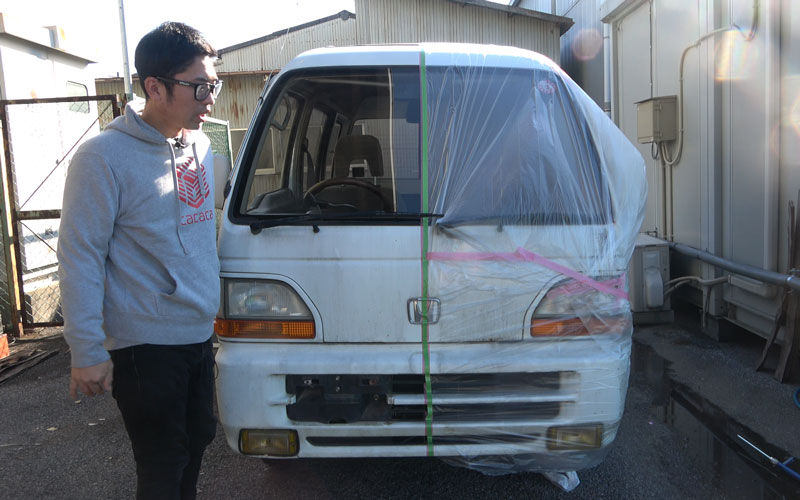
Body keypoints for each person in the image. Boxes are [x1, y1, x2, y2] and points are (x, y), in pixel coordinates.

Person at [57, 22, 223, 499]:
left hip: (197, 332)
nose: (210, 98)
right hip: (144, 343)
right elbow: (80, 254)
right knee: (162, 461)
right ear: (155, 87)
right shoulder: (102, 157)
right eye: (199, 87)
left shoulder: (200, 145)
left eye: (214, 85)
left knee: (197, 441)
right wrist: (86, 350)